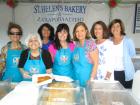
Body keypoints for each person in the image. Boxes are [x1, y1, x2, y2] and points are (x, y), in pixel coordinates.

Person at [109, 19, 136, 88]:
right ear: (110, 29)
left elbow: (132, 57)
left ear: (121, 28)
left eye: (117, 26)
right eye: (113, 26)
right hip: (112, 73)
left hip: (125, 73)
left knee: (126, 95)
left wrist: (128, 68)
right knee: (113, 95)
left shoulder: (128, 41)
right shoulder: (108, 41)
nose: (115, 28)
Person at [72, 22, 98, 87]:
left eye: (82, 30)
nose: (79, 33)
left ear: (86, 31)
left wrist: (91, 79)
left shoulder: (91, 44)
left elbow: (96, 63)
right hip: (76, 79)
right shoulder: (75, 44)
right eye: (77, 31)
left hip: (87, 80)